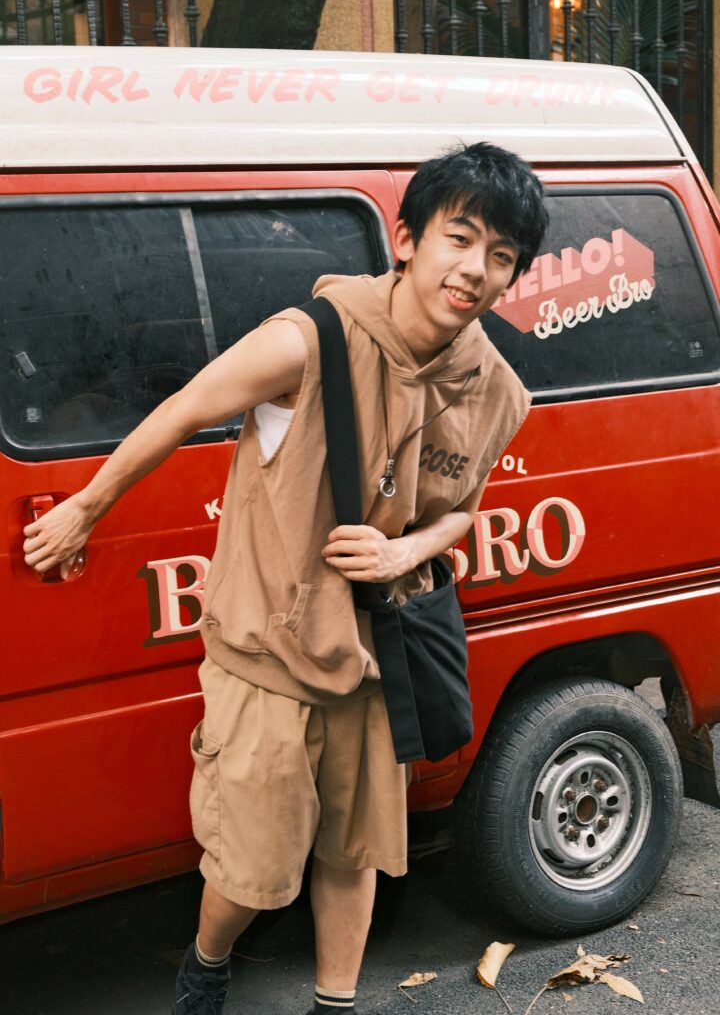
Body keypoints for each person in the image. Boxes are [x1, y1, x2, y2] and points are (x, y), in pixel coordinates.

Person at [24, 142, 548, 1015]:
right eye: (459, 239)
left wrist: (405, 553)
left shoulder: (497, 390)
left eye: (501, 256)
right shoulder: (312, 340)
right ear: (408, 240)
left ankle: (335, 1005)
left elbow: (461, 512)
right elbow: (187, 407)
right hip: (266, 653)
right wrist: (86, 507)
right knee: (253, 870)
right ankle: (206, 963)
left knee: (355, 851)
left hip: (376, 655)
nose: (475, 269)